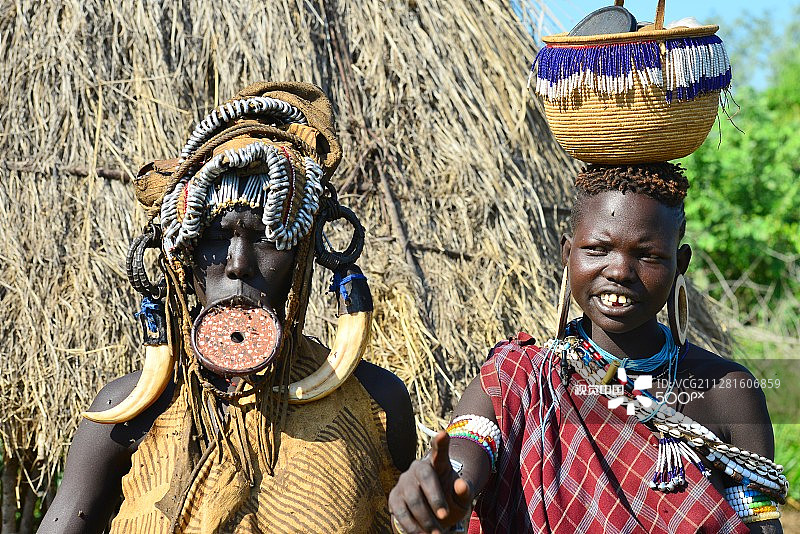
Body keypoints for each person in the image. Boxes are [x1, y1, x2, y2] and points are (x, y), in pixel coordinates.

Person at [41, 82, 416, 533]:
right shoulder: (124, 412)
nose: (239, 264)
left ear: (303, 256)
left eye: (268, 238)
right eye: (216, 238)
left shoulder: (377, 402)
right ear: (183, 257)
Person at [388, 163, 787, 534]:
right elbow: (465, 453)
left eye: (648, 255)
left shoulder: (726, 392)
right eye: (597, 249)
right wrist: (441, 485)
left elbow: (763, 525)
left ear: (680, 264)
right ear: (567, 253)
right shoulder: (517, 380)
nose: (620, 271)